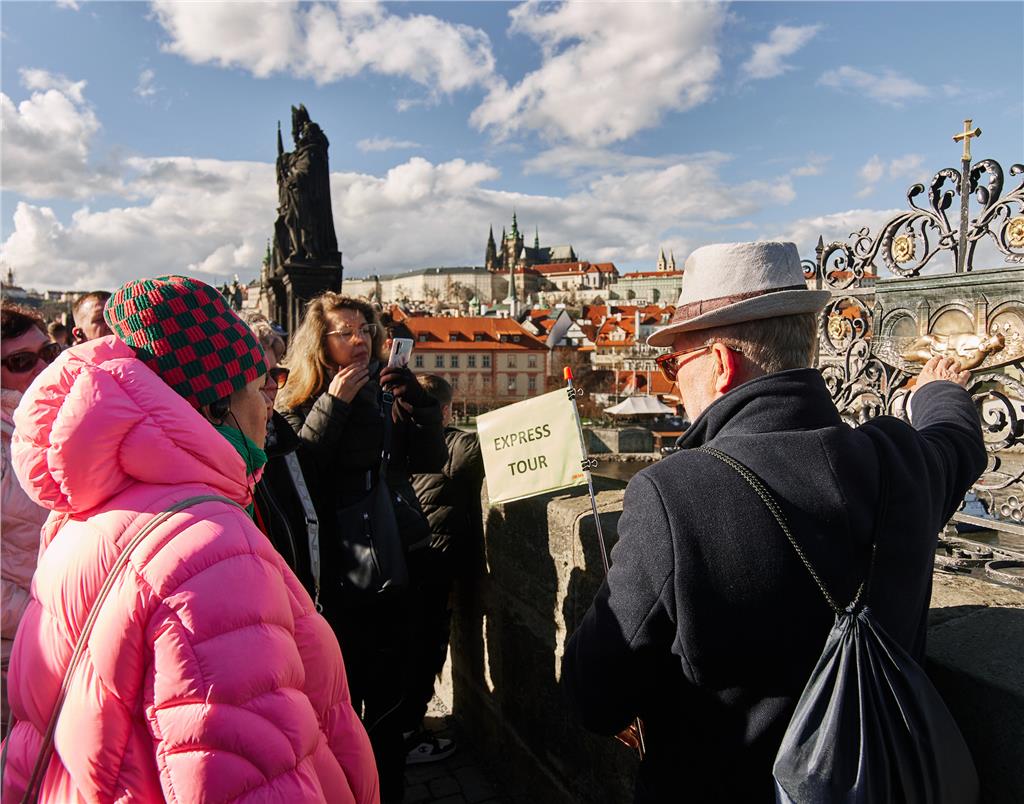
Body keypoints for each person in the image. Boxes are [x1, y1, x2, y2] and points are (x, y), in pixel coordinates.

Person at [561, 241, 986, 803]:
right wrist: (938, 389)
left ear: (720, 364)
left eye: (672, 365)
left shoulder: (675, 494)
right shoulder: (899, 461)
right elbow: (958, 441)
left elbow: (595, 697)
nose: (672, 387)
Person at [3, 276, 378, 803]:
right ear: (214, 405)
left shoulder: (82, 514)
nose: (269, 404)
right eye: (260, 385)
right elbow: (243, 780)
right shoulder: (212, 551)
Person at [279, 293, 447, 804]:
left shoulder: (384, 392)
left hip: (395, 555)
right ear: (321, 344)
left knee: (391, 698)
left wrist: (419, 406)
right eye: (345, 332)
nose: (359, 340)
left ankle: (386, 786)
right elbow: (301, 473)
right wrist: (334, 404)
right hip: (338, 569)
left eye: (365, 330)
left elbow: (429, 460)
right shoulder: (298, 399)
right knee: (342, 700)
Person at [403, 375, 485, 763]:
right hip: (436, 562)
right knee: (425, 649)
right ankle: (408, 734)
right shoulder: (455, 443)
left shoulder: (397, 440)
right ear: (448, 410)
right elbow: (491, 451)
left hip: (405, 558)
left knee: (407, 647)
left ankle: (404, 725)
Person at [1, 302, 57, 736]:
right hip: (12, 653)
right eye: (22, 361)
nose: (41, 368)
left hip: (62, 642)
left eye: (49, 353)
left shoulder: (67, 422)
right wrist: (41, 617)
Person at [244, 312, 318, 598]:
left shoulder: (287, 442)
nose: (273, 386)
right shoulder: (228, 456)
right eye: (262, 377)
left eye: (276, 374)